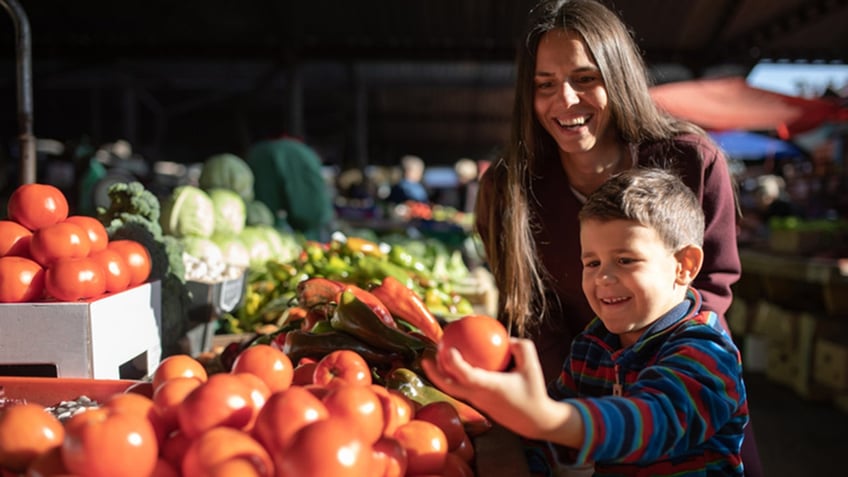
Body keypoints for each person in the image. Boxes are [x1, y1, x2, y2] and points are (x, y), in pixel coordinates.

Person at [472, 0, 761, 474]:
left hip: (681, 395)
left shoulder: (693, 160)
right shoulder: (509, 188)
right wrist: (557, 421)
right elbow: (530, 311)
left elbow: (712, 285)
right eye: (545, 85)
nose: (564, 101)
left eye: (585, 79)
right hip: (577, 401)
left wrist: (566, 416)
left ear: (619, 75)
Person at [429, 168, 749, 475]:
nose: (604, 278)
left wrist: (548, 418)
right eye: (592, 262)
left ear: (684, 265)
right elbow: (552, 441)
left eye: (625, 260)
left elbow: (653, 423)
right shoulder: (592, 346)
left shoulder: (707, 352)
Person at [246, 136, 334, 241]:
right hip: (299, 238)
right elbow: (312, 213)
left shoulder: (257, 152)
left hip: (259, 232)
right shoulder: (303, 154)